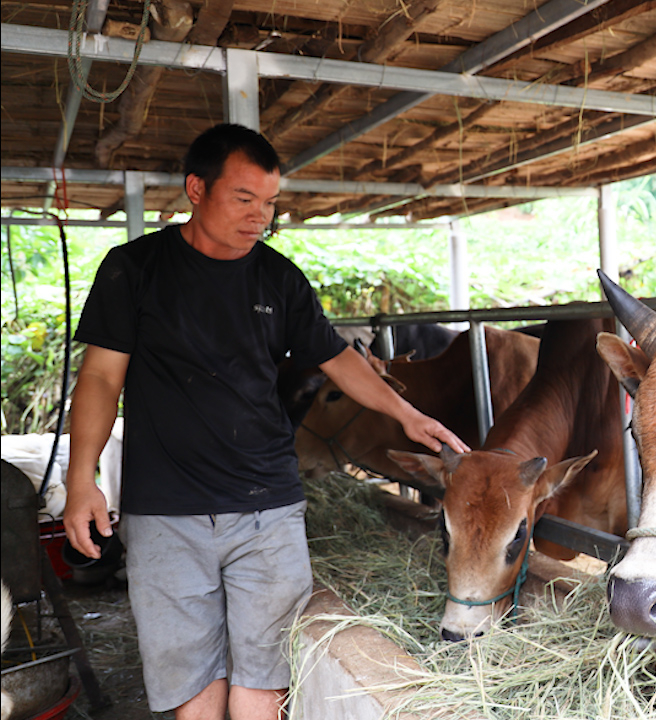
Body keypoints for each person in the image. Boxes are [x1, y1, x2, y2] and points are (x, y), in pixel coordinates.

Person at [62, 123, 469, 720]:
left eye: (271, 203)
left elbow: (336, 358)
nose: (260, 217)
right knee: (191, 691)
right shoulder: (135, 269)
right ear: (196, 189)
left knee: (263, 682)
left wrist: (407, 414)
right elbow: (100, 378)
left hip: (267, 510)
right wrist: (80, 480)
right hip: (165, 512)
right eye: (244, 199)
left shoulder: (279, 280)